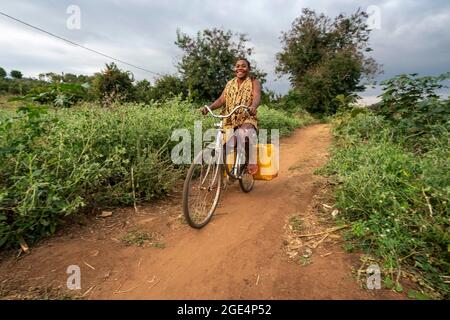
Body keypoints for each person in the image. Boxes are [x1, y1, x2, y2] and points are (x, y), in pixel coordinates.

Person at [201, 58, 261, 175]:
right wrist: (209, 108)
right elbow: (221, 99)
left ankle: (250, 160)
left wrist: (253, 106)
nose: (240, 68)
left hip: (247, 116)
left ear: (248, 69)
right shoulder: (230, 83)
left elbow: (257, 96)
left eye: (243, 66)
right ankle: (226, 163)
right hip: (230, 117)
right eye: (237, 66)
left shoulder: (254, 81)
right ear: (235, 68)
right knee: (229, 138)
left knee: (243, 133)